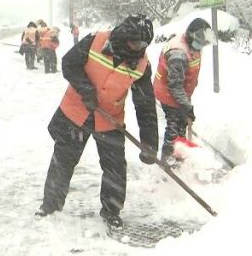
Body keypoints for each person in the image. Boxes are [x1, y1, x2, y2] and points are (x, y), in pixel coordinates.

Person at [35, 14, 159, 231]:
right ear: (123, 35)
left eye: (144, 44)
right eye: (135, 42)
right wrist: (86, 89)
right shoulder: (96, 40)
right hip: (76, 111)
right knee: (63, 161)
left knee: (115, 168)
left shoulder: (141, 64)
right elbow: (69, 63)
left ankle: (112, 211)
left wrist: (149, 143)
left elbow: (145, 104)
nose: (139, 48)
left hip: (110, 119)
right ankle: (50, 206)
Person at [153, 18, 216, 163]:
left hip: (180, 91)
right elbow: (174, 85)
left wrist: (186, 103)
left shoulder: (193, 46)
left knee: (181, 123)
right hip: (167, 92)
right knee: (174, 126)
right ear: (189, 36)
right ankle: (168, 161)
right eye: (200, 42)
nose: (201, 46)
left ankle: (179, 153)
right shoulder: (178, 53)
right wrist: (186, 106)